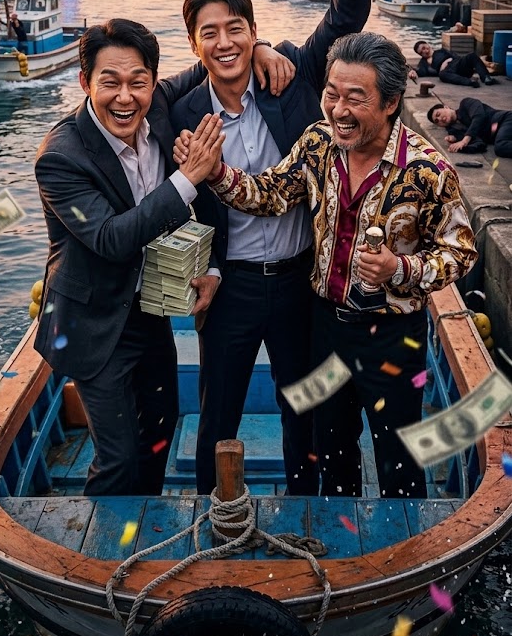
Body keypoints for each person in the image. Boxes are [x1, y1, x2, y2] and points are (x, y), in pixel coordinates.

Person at [191, 32, 477, 499]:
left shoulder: (428, 171)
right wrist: (217, 172)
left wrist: (398, 270)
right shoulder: (317, 143)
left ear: (390, 103)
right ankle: (336, 555)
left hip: (394, 335)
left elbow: (461, 251)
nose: (338, 110)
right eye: (332, 93)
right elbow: (272, 194)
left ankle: (403, 557)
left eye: (355, 98)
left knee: (399, 457)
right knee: (331, 449)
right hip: (323, 329)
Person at [171, 0, 376, 496]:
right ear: (194, 44)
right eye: (211, 32)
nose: (226, 41)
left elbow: (349, 11)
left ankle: (304, 516)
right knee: (218, 416)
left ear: (253, 32)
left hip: (299, 282)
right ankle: (213, 518)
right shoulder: (182, 111)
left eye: (237, 28)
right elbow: (128, 102)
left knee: (304, 413)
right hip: (227, 287)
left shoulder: (296, 77)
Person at [34, 18, 290, 497]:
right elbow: (112, 238)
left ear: (154, 80)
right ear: (85, 81)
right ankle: (101, 562)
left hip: (150, 309)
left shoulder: (163, 109)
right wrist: (188, 178)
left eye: (138, 82)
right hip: (94, 322)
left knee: (158, 434)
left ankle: (144, 531)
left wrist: (261, 48)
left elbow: (216, 60)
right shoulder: (60, 157)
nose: (125, 97)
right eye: (109, 82)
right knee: (118, 458)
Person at [428, 98, 512, 157]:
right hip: (500, 135)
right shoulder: (454, 131)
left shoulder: (465, 103)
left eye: (438, 114)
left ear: (446, 107)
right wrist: (458, 146)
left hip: (504, 120)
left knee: (501, 146)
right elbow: (480, 145)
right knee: (501, 147)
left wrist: (465, 140)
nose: (439, 119)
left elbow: (479, 116)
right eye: (437, 121)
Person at [409, 39, 498, 87]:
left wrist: (452, 61)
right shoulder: (423, 63)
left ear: (427, 44)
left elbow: (456, 56)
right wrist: (412, 72)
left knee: (472, 55)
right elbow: (419, 71)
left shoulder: (441, 51)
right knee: (442, 74)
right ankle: (470, 82)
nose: (425, 51)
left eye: (424, 47)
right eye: (421, 52)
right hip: (448, 72)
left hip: (457, 65)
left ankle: (486, 77)